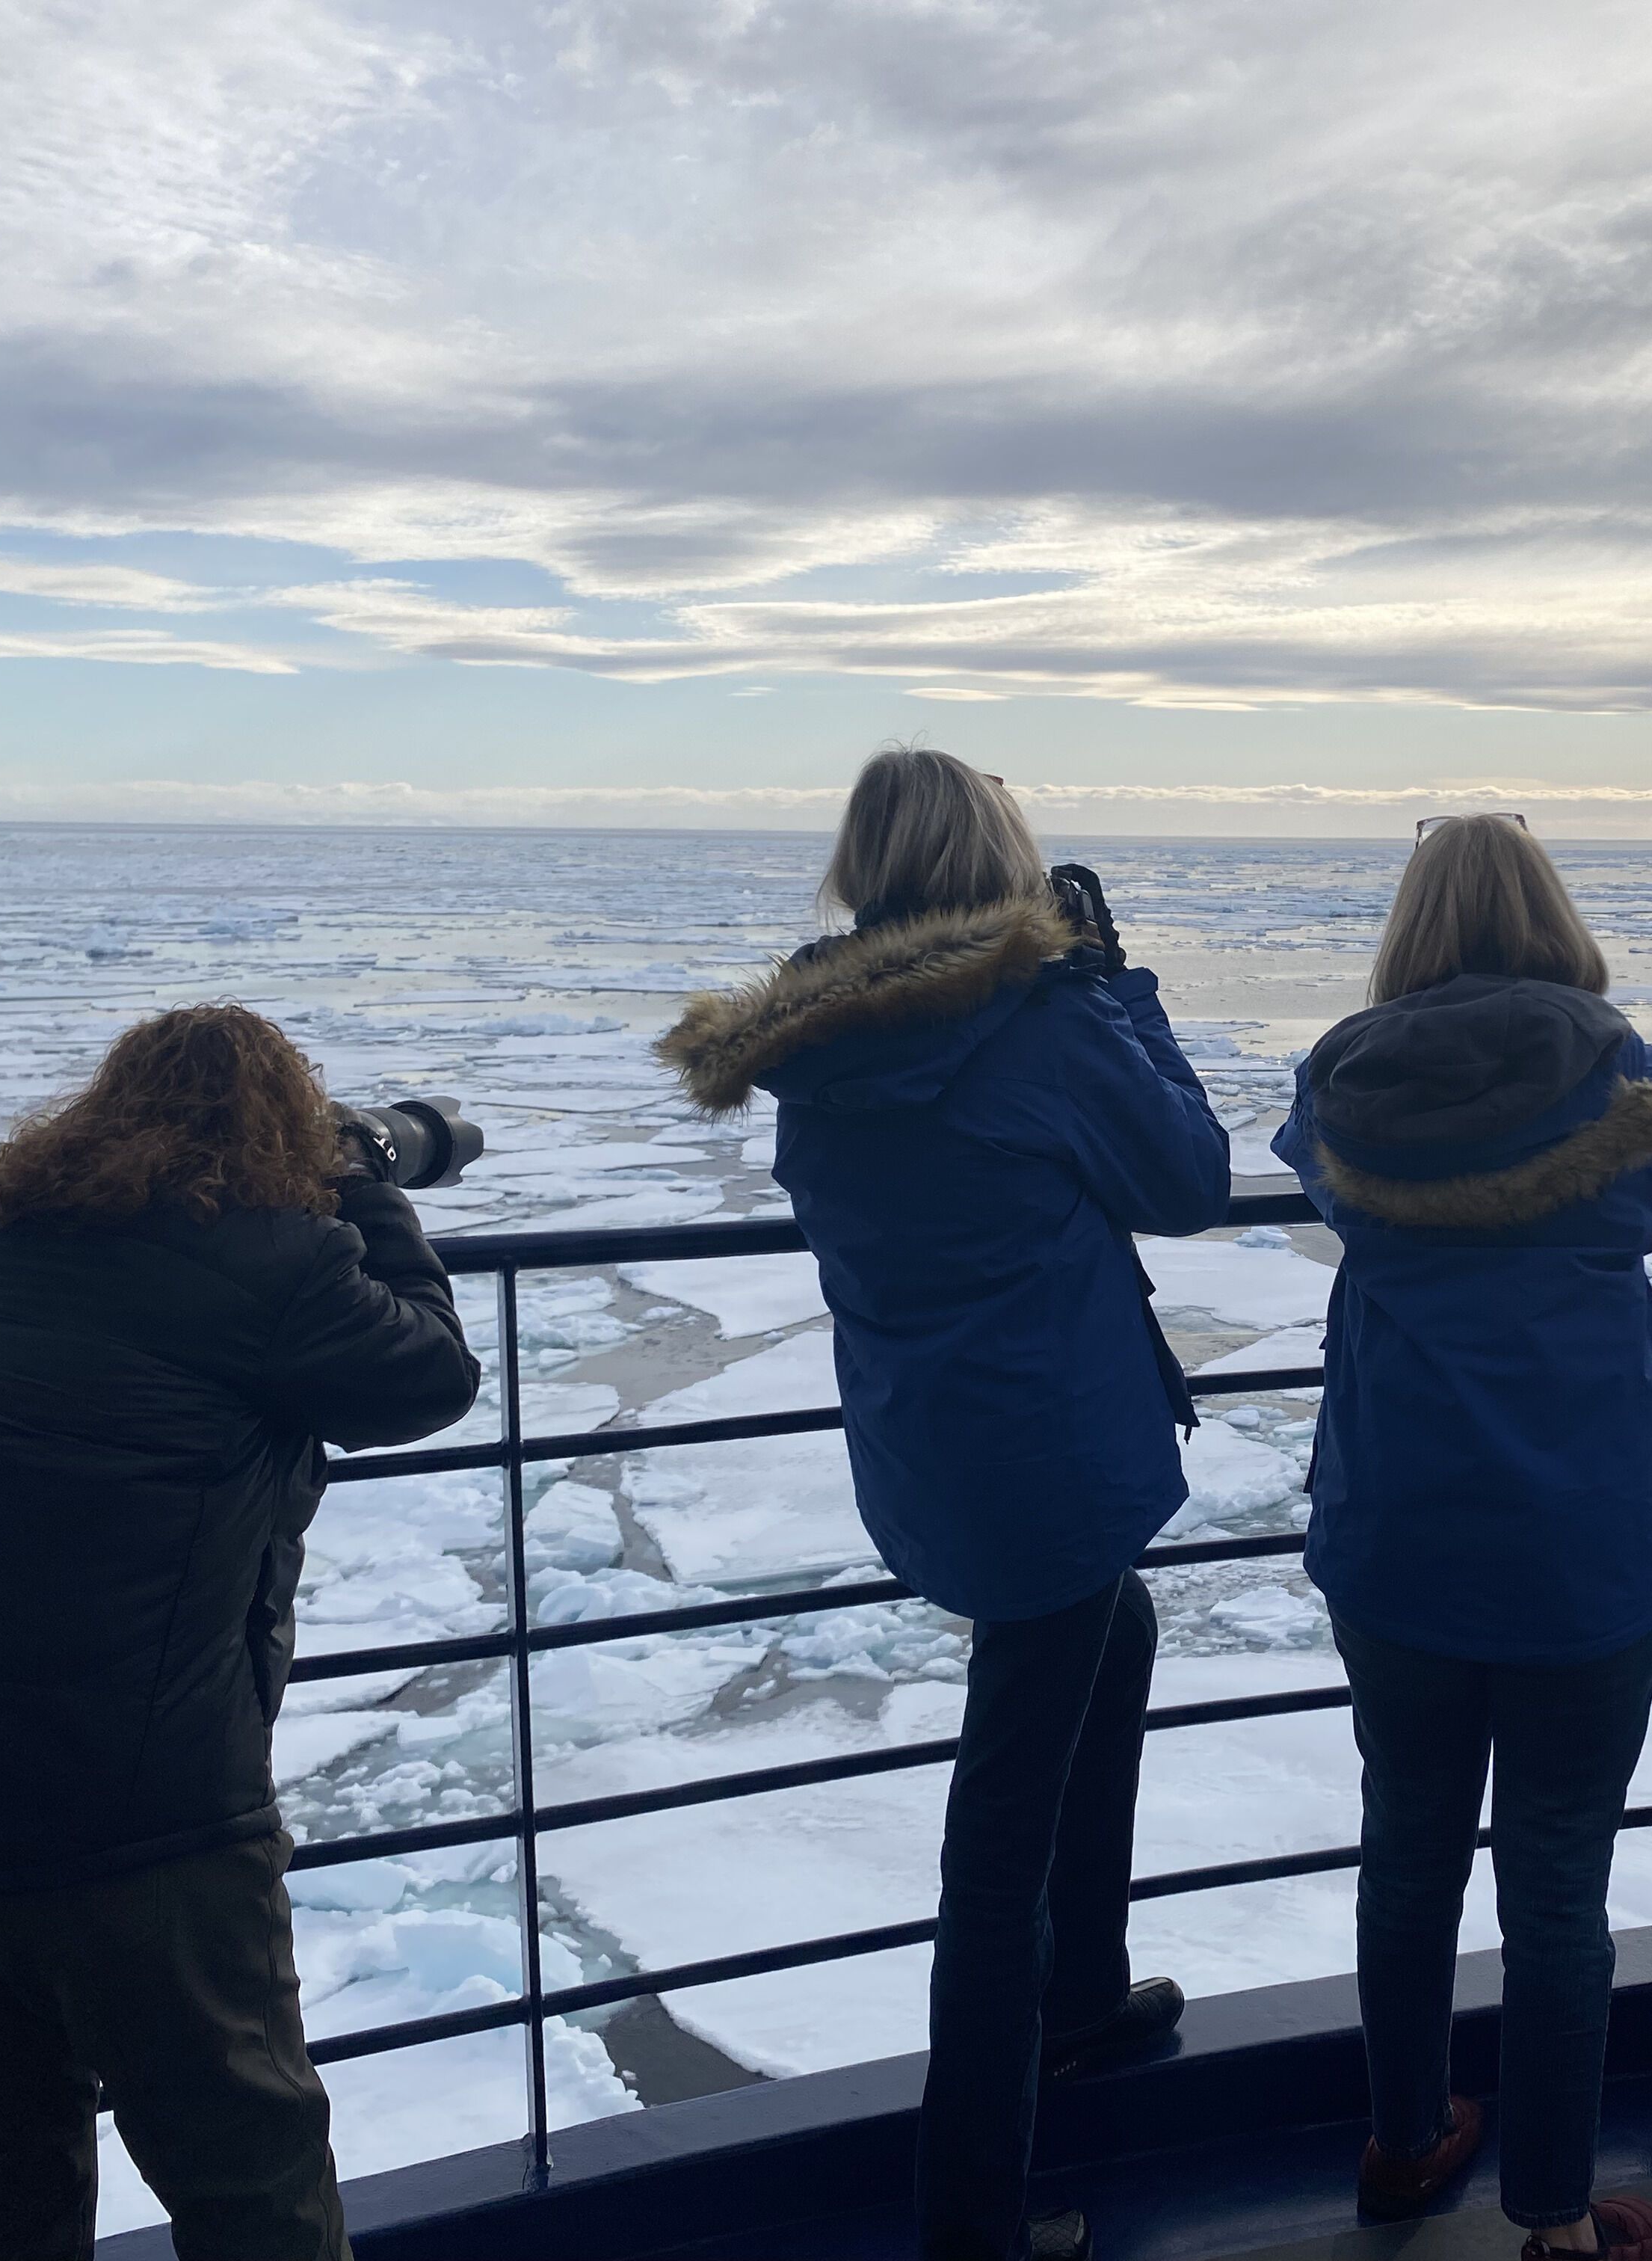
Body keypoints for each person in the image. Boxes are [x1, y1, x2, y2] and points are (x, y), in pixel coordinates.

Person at [0, 1003, 481, 2261]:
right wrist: (366, 1180)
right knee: (253, 2193)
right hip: (126, 1829)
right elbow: (426, 1376)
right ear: (284, 1133)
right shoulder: (281, 1261)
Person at [657, 748, 1232, 2261]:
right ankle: (975, 2210)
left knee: (1113, 1639)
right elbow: (1189, 1180)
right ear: (1002, 858)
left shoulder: (817, 1039)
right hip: (1052, 1456)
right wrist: (1115, 987)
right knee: (998, 1853)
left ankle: (1080, 1995)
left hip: (937, 1448)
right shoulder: (1037, 1020)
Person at [1273, 814, 1652, 2261]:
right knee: (1558, 1881)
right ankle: (1559, 2217)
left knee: (1408, 1847)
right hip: (1583, 1540)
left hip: (1400, 1531)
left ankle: (1403, 2137)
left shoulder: (1345, 1074)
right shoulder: (1621, 1067)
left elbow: (1318, 1182)